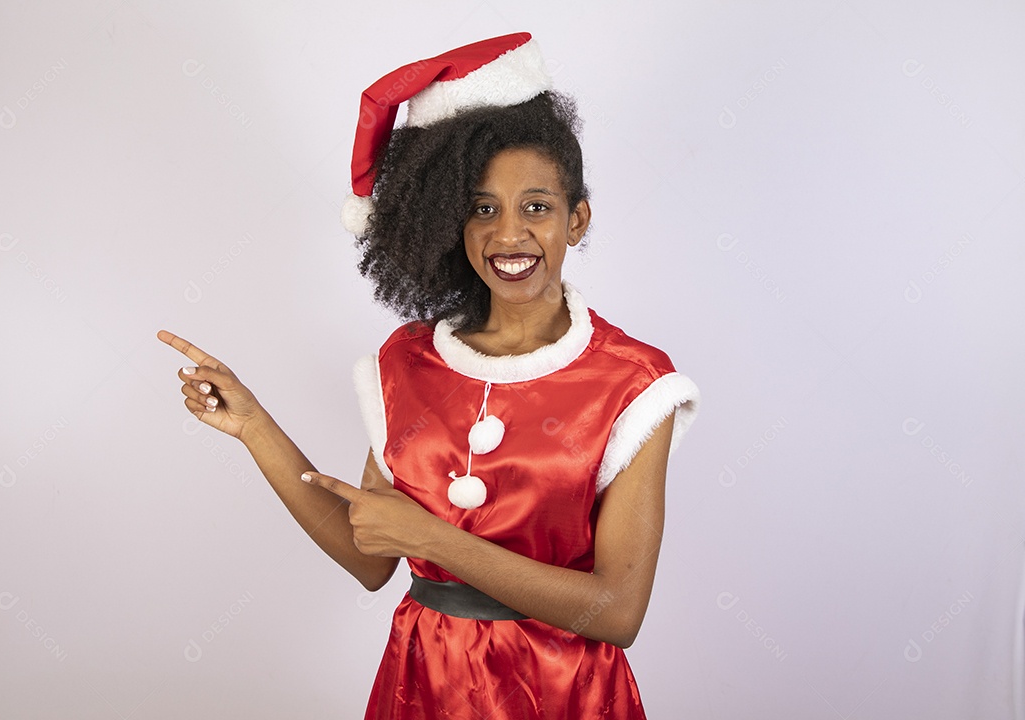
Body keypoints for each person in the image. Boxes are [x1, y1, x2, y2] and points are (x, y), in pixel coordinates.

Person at [159, 33, 700, 719]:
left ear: (577, 219)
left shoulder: (632, 382)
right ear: (450, 220)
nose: (509, 233)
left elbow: (618, 610)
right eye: (482, 208)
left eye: (536, 206)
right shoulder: (407, 366)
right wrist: (253, 426)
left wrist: (435, 541)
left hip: (566, 694)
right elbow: (369, 555)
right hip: (425, 686)